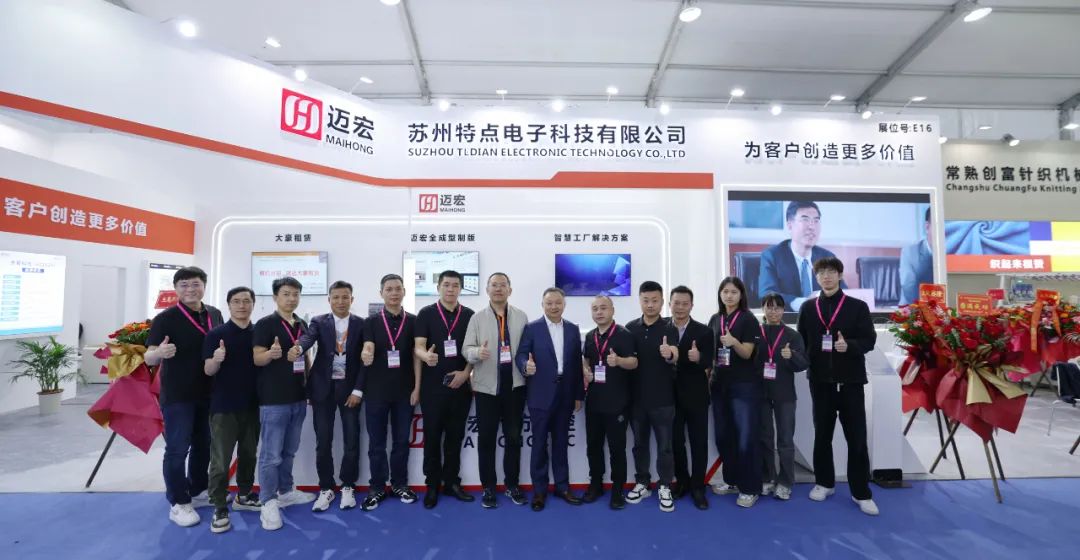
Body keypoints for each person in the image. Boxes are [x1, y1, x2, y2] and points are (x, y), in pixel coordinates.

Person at [796, 257, 880, 516]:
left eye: (831, 272)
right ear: (816, 277)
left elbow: (869, 339)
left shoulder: (857, 307)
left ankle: (861, 492)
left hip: (851, 382)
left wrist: (850, 346)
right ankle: (824, 483)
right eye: (821, 273)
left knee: (857, 439)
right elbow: (802, 342)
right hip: (820, 383)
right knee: (822, 436)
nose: (827, 277)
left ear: (840, 275)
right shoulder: (808, 308)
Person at [145, 266, 224, 527]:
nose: (190, 289)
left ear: (204, 286)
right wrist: (159, 353)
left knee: (204, 444)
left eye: (195, 284)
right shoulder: (165, 319)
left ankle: (198, 489)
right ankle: (178, 502)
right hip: (178, 394)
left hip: (209, 391)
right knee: (178, 449)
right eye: (184, 285)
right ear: (176, 288)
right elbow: (148, 356)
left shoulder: (214, 313)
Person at [290, 280, 364, 512]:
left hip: (350, 390)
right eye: (336, 297)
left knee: (352, 440)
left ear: (352, 299)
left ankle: (348, 485)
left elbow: (365, 361)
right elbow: (308, 338)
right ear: (329, 299)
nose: (341, 301)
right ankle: (326, 487)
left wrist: (358, 390)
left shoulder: (362, 324)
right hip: (323, 389)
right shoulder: (319, 321)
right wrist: (298, 348)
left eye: (345, 297)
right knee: (323, 441)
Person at [252, 276, 316, 531]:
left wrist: (309, 386)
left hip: (298, 397)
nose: (291, 298)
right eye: (286, 294)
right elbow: (257, 358)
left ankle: (286, 491)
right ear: (275, 297)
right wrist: (271, 354)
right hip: (274, 400)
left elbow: (305, 357)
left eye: (295, 294)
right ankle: (267, 501)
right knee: (271, 455)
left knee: (289, 450)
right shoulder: (265, 324)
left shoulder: (302, 324)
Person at [462, 272, 529, 509]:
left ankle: (512, 485)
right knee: (487, 440)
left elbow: (526, 350)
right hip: (486, 389)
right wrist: (476, 353)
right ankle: (488, 487)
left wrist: (527, 365)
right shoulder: (477, 318)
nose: (498, 289)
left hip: (515, 388)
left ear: (510, 290)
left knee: (513, 439)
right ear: (487, 290)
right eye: (494, 285)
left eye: (503, 285)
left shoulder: (521, 316)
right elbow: (466, 349)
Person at [516, 287, 585, 511]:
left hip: (566, 394)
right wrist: (525, 365)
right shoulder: (532, 328)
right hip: (540, 393)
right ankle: (539, 491)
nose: (554, 307)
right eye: (549, 303)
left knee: (561, 442)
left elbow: (576, 364)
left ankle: (563, 487)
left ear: (564, 305)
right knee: (538, 444)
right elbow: (521, 354)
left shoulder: (573, 329)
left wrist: (578, 395)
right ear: (542, 305)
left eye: (558, 303)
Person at [414, 270, 476, 508]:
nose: (451, 289)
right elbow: (418, 346)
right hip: (433, 388)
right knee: (431, 438)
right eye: (446, 285)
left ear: (460, 288)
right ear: (438, 287)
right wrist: (425, 356)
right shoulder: (426, 313)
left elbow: (473, 351)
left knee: (455, 438)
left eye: (455, 285)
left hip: (460, 387)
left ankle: (451, 483)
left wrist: (466, 372)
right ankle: (432, 485)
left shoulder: (469, 315)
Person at [202, 286, 262, 533]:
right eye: (236, 301)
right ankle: (219, 505)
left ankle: (244, 494)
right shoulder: (216, 334)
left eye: (246, 301)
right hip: (224, 407)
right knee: (221, 459)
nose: (241, 306)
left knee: (249, 454)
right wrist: (216, 359)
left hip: (253, 405)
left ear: (253, 304)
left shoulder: (260, 333)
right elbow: (208, 370)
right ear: (228, 305)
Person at [357, 274, 418, 511]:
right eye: (389, 289)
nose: (394, 293)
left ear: (404, 292)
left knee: (402, 441)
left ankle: (400, 484)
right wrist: (366, 352)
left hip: (405, 393)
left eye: (398, 289)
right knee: (377, 444)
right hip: (376, 392)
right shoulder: (370, 322)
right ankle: (377, 487)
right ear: (381, 292)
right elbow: (368, 345)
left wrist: (417, 388)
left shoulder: (413, 321)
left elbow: (416, 356)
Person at [625, 281, 680, 512]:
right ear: (640, 301)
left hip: (663, 400)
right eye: (646, 300)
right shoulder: (629, 328)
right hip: (637, 400)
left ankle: (665, 485)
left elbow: (675, 354)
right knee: (639, 445)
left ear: (662, 301)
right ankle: (642, 482)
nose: (650, 305)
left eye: (655, 300)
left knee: (665, 447)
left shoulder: (670, 327)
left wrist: (669, 354)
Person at [708, 277, 762, 508]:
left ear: (741, 295)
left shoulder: (748, 319)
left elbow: (748, 353)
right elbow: (711, 352)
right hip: (719, 384)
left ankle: (750, 488)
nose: (729, 296)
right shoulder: (715, 319)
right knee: (724, 436)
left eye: (733, 292)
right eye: (725, 291)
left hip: (744, 386)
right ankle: (731, 481)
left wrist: (733, 342)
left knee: (745, 438)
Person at [581, 295, 638, 510]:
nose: (599, 312)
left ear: (612, 310)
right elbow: (586, 360)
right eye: (595, 309)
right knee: (593, 446)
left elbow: (634, 362)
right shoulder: (590, 336)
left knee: (617, 448)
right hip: (594, 401)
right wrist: (585, 371)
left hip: (617, 402)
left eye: (603, 308)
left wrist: (619, 361)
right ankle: (595, 484)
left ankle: (617, 489)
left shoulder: (624, 334)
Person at [757, 292, 809, 502]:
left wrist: (792, 356)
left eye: (777, 307)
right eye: (769, 307)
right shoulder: (756, 333)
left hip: (785, 394)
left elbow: (803, 364)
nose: (773, 311)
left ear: (783, 310)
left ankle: (786, 482)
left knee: (786, 440)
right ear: (763, 309)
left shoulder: (792, 335)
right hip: (761, 393)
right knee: (765, 438)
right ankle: (767, 477)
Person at [669, 285, 715, 510]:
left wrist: (699, 358)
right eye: (676, 303)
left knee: (699, 443)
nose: (680, 307)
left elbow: (710, 361)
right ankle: (682, 482)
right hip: (669, 397)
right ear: (670, 304)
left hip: (696, 396)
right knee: (676, 442)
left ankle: (698, 487)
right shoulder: (662, 328)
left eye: (684, 304)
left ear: (691, 306)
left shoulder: (704, 331)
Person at [758, 201, 846, 311]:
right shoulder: (772, 256)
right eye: (805, 220)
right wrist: (804, 303)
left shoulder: (828, 257)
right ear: (790, 225)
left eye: (816, 220)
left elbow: (843, 292)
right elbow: (766, 294)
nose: (812, 226)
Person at [900, 207, 934, 306]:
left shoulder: (952, 251)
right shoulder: (910, 252)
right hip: (914, 307)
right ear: (927, 227)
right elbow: (909, 289)